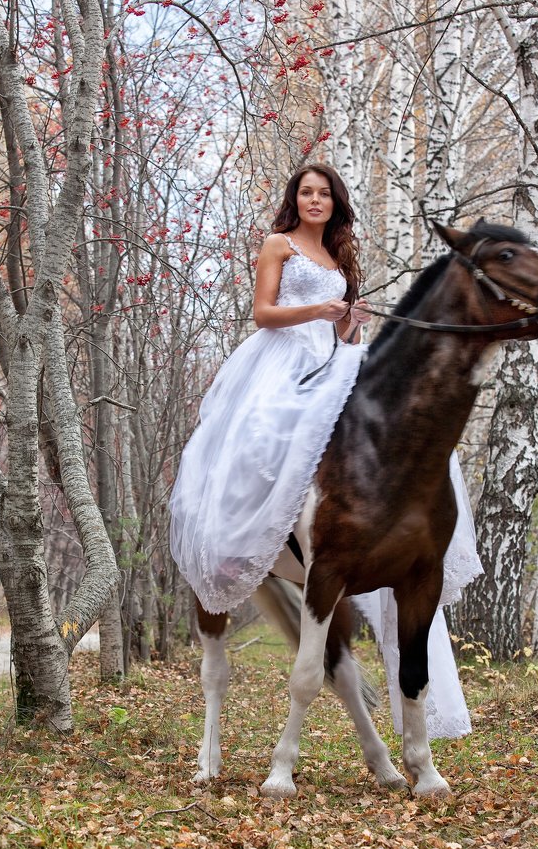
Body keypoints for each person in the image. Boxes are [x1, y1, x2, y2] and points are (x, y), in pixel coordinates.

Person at [169, 163, 481, 737]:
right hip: (281, 361)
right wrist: (317, 311)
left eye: (324, 193)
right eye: (305, 192)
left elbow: (339, 332)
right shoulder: (278, 244)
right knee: (270, 437)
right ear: (296, 200)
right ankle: (253, 538)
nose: (315, 200)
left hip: (334, 358)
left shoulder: (339, 259)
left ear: (336, 202)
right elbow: (263, 313)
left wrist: (349, 325)